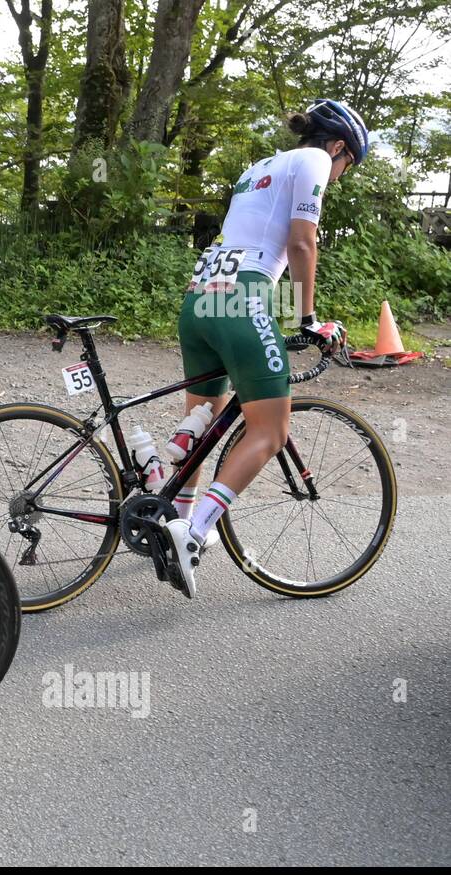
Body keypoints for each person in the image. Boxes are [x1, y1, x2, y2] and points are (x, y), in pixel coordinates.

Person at [165, 99, 365, 597]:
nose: (339, 176)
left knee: (206, 422)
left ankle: (173, 516)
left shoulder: (260, 166)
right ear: (338, 146)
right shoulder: (315, 161)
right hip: (242, 299)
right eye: (347, 165)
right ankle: (192, 534)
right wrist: (308, 319)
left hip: (200, 299)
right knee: (270, 431)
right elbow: (302, 243)